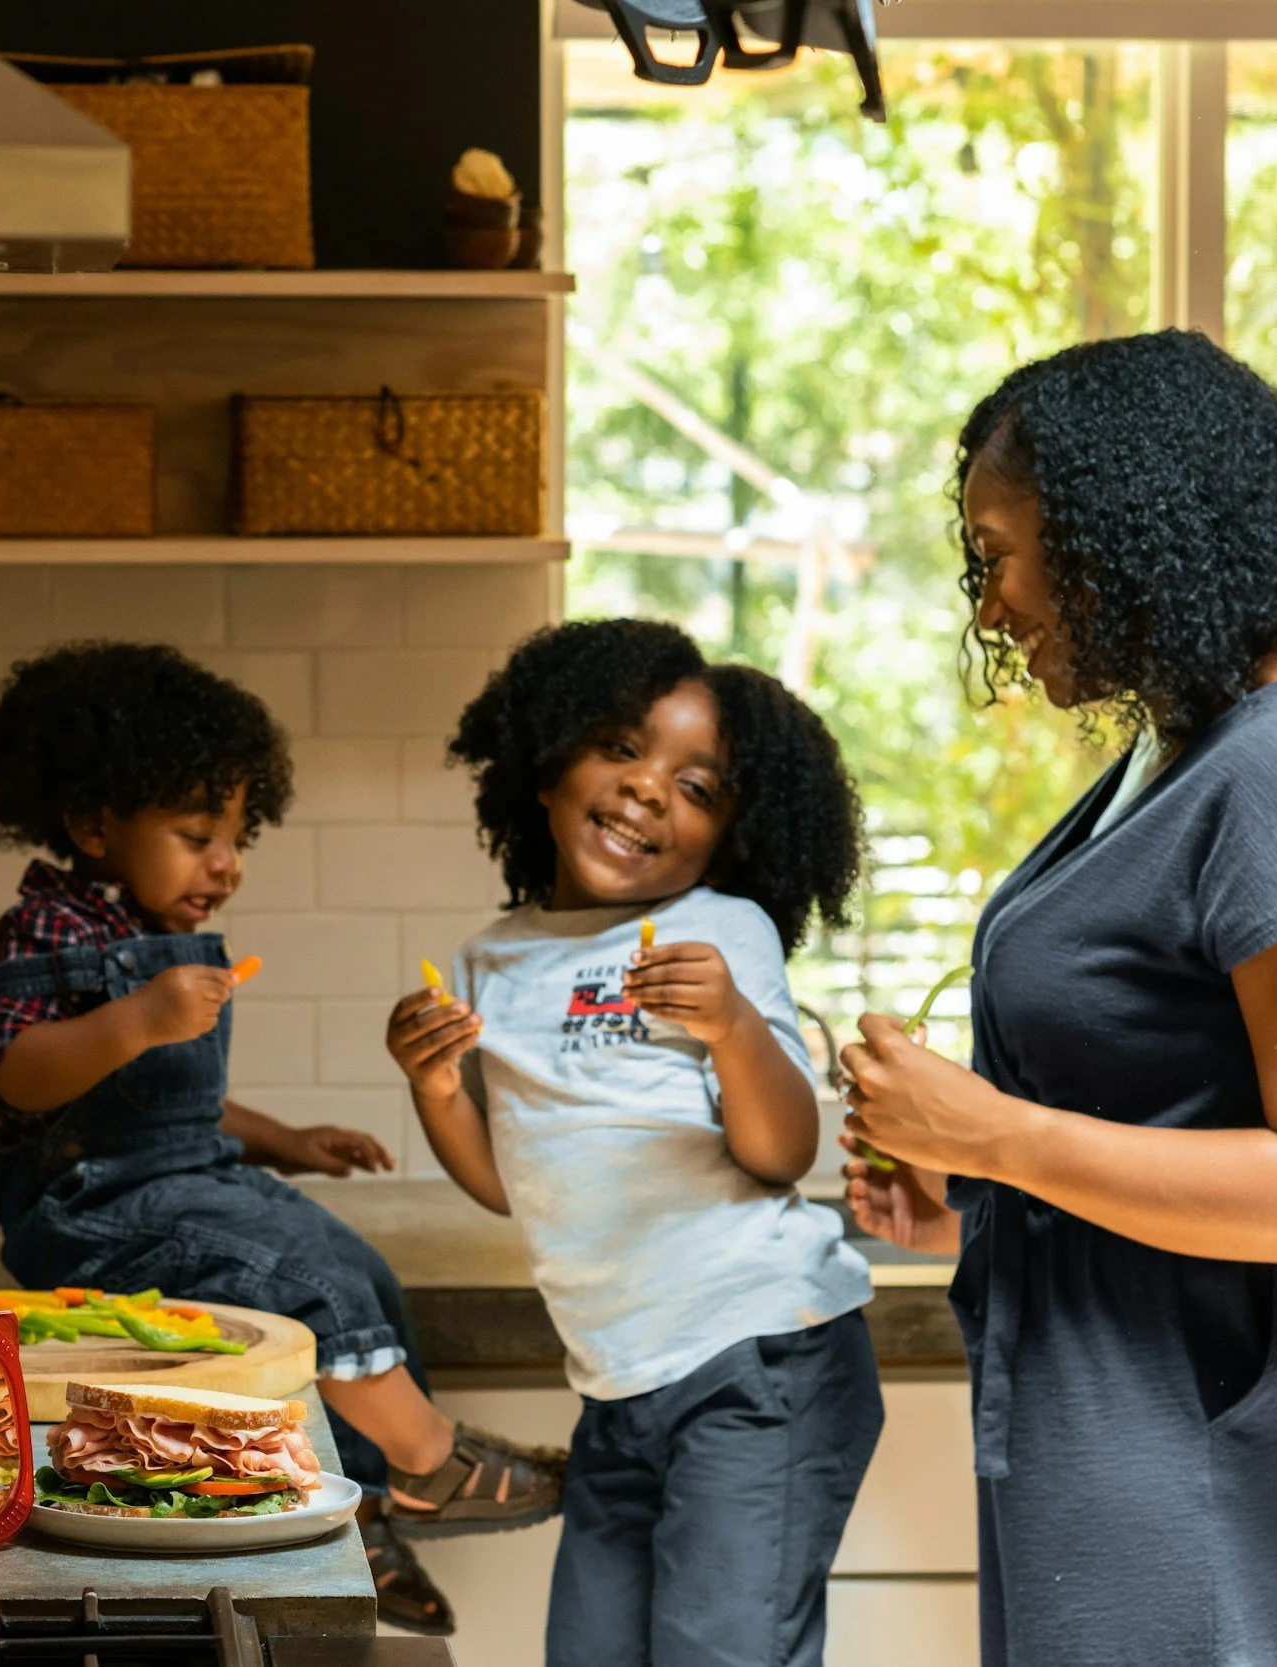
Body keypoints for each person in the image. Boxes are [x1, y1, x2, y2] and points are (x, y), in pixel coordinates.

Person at [838, 330, 1277, 1667]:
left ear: (1116, 532)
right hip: (1093, 1418)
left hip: (1191, 1440)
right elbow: (1161, 1110)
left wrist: (992, 1138)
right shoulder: (1173, 750)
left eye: (999, 554)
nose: (989, 603)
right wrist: (970, 1197)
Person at [0, 641, 561, 1635]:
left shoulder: (149, 926)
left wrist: (287, 1139)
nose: (227, 860)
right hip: (89, 1212)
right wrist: (135, 1018)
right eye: (195, 832)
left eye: (236, 834)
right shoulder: (45, 928)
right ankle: (431, 1460)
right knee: (301, 1271)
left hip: (188, 1178)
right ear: (93, 822)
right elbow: (17, 1074)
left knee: (357, 1265)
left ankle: (371, 1505)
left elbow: (172, 1105)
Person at [388, 619, 881, 1667]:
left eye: (697, 786)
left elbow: (784, 1151)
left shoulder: (720, 930)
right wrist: (434, 1084)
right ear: (545, 762)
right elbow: (505, 1179)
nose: (649, 789)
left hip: (759, 1359)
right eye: (619, 746)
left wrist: (733, 1028)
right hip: (616, 1383)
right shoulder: (493, 959)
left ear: (733, 831)